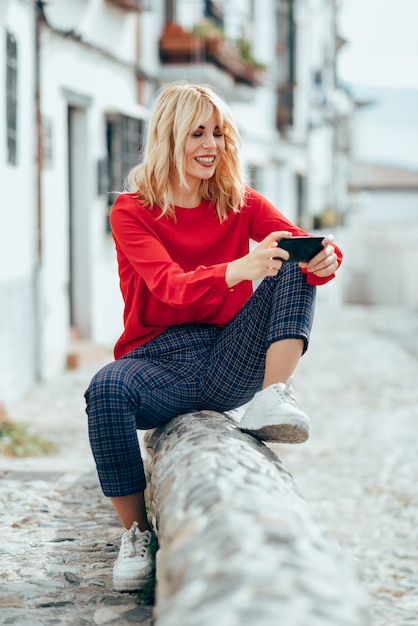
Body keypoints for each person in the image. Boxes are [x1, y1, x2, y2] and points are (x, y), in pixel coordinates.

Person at [85, 82, 342, 593]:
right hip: (156, 363)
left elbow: (310, 248)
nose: (211, 145)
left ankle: (274, 396)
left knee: (292, 252)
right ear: (169, 137)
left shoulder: (239, 201)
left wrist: (328, 258)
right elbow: (167, 286)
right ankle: (135, 535)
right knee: (104, 390)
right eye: (197, 133)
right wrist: (238, 267)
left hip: (230, 356)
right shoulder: (131, 211)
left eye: (219, 133)